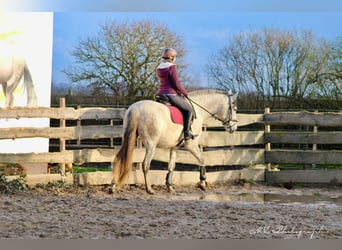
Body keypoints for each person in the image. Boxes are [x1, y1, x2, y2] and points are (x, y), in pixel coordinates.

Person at [156, 48, 195, 140]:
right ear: (171, 57)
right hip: (170, 94)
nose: (175, 59)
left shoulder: (159, 67)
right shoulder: (171, 66)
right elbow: (176, 83)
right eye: (175, 57)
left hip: (160, 93)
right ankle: (186, 133)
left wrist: (178, 92)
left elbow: (167, 82)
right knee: (189, 110)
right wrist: (184, 93)